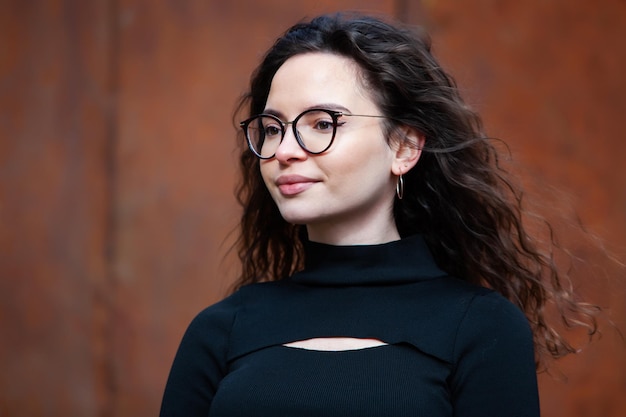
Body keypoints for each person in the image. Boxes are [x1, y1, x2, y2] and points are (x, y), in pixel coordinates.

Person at [159, 12, 599, 417]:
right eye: (273, 129)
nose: (285, 151)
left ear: (405, 147)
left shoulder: (482, 326)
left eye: (323, 123)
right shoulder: (222, 330)